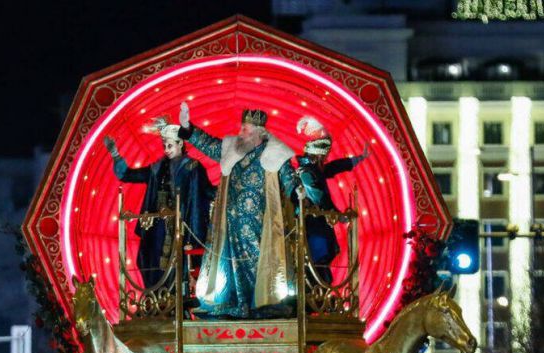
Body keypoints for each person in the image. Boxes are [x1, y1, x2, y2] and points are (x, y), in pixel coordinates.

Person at [178, 102, 298, 318]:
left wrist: (298, 193)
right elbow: (209, 144)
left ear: (259, 134)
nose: (240, 133)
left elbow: (289, 179)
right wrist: (188, 128)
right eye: (241, 128)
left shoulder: (276, 152)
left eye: (246, 130)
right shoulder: (232, 147)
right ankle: (236, 303)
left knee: (257, 268)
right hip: (230, 226)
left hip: (260, 228)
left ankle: (259, 305)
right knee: (230, 268)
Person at [104, 118, 214, 290]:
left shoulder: (193, 168)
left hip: (183, 225)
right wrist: (115, 155)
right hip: (157, 225)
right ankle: (155, 301)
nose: (166, 150)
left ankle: (176, 303)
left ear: (180, 144)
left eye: (170, 146)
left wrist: (229, 186)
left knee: (180, 264)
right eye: (164, 146)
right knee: (148, 258)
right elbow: (127, 175)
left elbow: (206, 192)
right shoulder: (156, 168)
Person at [292, 116, 368, 284]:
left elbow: (333, 167)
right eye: (324, 157)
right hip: (311, 227)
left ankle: (322, 293)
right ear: (318, 157)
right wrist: (337, 215)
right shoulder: (307, 173)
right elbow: (319, 197)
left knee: (322, 260)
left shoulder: (313, 169)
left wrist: (357, 159)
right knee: (316, 261)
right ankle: (316, 296)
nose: (326, 160)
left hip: (317, 225)